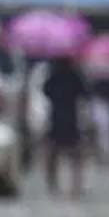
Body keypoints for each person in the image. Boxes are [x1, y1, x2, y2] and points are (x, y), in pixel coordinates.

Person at [41, 56, 89, 196]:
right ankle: (76, 186)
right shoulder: (74, 75)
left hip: (56, 118)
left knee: (53, 153)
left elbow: (45, 91)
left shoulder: (53, 75)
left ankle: (53, 183)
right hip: (71, 119)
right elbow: (85, 93)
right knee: (75, 154)